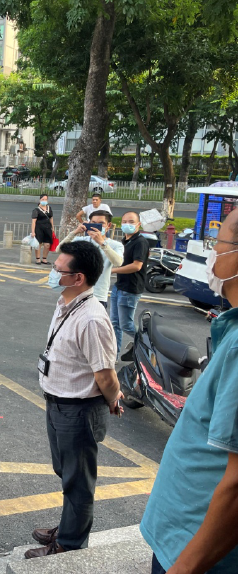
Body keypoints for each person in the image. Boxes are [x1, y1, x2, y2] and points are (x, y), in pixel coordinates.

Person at [140, 209, 238, 574]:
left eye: (217, 243)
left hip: (197, 551)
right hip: (185, 539)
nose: (212, 253)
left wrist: (185, 567)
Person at [25, 241, 123, 559]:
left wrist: (113, 398)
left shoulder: (92, 319)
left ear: (78, 278)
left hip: (79, 410)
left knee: (78, 481)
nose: (52, 273)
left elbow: (105, 374)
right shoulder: (66, 303)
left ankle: (69, 544)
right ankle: (69, 527)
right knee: (66, 472)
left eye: (58, 270)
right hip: (57, 402)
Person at [58, 210, 124, 309]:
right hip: (75, 293)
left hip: (98, 296)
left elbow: (118, 262)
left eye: (101, 223)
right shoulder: (82, 241)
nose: (96, 226)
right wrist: (75, 232)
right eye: (93, 223)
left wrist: (102, 243)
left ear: (108, 225)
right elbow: (59, 249)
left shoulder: (115, 245)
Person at [110, 211, 150, 355]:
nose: (128, 224)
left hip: (130, 289)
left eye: (131, 222)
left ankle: (149, 345)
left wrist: (113, 270)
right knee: (115, 324)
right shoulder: (124, 242)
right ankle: (114, 355)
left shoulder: (140, 242)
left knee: (126, 325)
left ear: (139, 224)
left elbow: (136, 266)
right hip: (119, 286)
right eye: (125, 221)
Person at [31, 194, 55, 265]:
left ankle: (44, 258)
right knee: (38, 244)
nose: (44, 201)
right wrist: (33, 232)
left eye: (46, 199)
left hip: (48, 228)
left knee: (47, 244)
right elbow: (33, 221)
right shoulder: (36, 210)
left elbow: (51, 218)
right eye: (43, 199)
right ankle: (38, 258)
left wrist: (52, 227)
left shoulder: (49, 208)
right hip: (39, 228)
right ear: (40, 200)